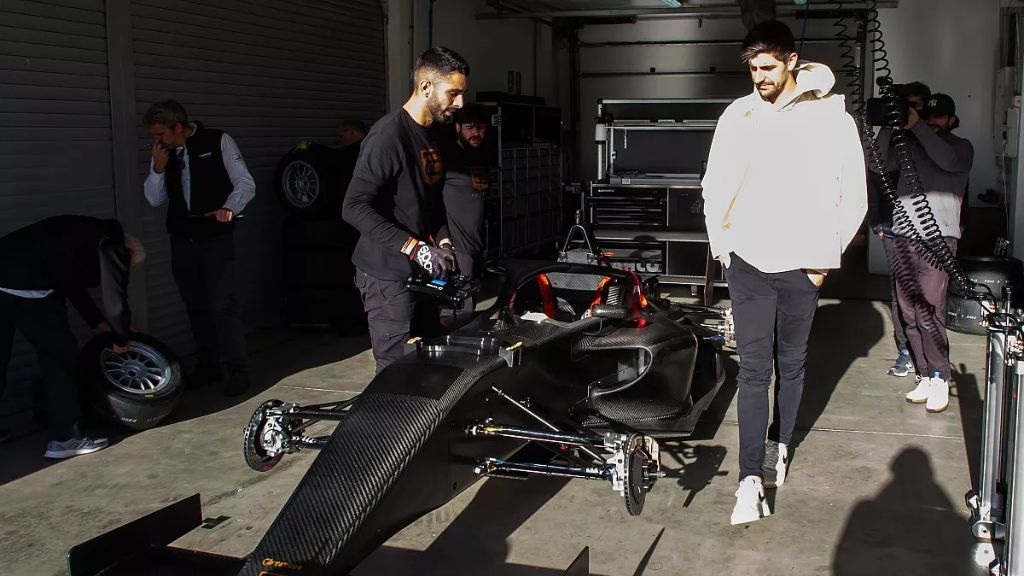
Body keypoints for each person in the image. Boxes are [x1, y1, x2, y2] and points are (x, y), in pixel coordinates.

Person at [701, 20, 867, 525]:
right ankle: (749, 478)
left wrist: (823, 261)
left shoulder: (831, 118)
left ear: (792, 60)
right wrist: (724, 247)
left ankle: (780, 444)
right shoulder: (740, 113)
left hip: (802, 265)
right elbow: (715, 181)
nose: (759, 76)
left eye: (768, 66)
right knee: (753, 370)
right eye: (752, 68)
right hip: (748, 261)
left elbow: (854, 194)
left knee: (790, 365)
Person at [342, 46, 468, 373]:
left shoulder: (435, 135)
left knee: (429, 364)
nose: (460, 103)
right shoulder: (387, 137)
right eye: (453, 93)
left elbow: (431, 201)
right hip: (385, 274)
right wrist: (415, 248)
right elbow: (353, 207)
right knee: (396, 374)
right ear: (426, 87)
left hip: (420, 271)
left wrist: (443, 244)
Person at [0, 216, 145, 458]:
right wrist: (121, 339)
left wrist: (98, 323)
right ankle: (64, 438)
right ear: (128, 253)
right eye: (128, 266)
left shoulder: (83, 236)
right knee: (60, 356)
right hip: (27, 282)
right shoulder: (113, 245)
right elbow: (115, 301)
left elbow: (71, 284)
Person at [143, 100, 255, 396]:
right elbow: (155, 199)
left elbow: (245, 184)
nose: (157, 141)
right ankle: (208, 366)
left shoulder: (217, 141)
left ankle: (237, 370)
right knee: (196, 305)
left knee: (223, 305)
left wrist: (229, 208)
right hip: (182, 239)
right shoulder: (162, 154)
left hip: (215, 238)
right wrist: (157, 168)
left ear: (177, 127)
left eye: (161, 134)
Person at [876, 93, 974, 413]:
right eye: (926, 116)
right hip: (904, 235)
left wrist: (918, 128)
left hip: (939, 239)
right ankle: (923, 374)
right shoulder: (911, 144)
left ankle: (939, 376)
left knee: (931, 309)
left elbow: (944, 159)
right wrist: (891, 127)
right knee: (908, 312)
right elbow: (877, 164)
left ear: (951, 120)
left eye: (939, 117)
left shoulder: (961, 148)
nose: (932, 121)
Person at [868, 81, 930, 378]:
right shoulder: (890, 136)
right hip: (894, 225)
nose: (908, 112)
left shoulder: (932, 136)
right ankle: (906, 350)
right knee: (901, 292)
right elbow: (875, 170)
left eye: (914, 106)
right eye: (905, 106)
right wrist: (878, 221)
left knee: (929, 295)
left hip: (931, 228)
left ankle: (929, 359)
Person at [443, 103, 491, 280]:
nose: (475, 133)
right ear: (457, 128)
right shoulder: (448, 157)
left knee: (474, 293)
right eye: (469, 128)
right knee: (460, 304)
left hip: (478, 243)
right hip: (458, 247)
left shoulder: (481, 154)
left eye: (480, 128)